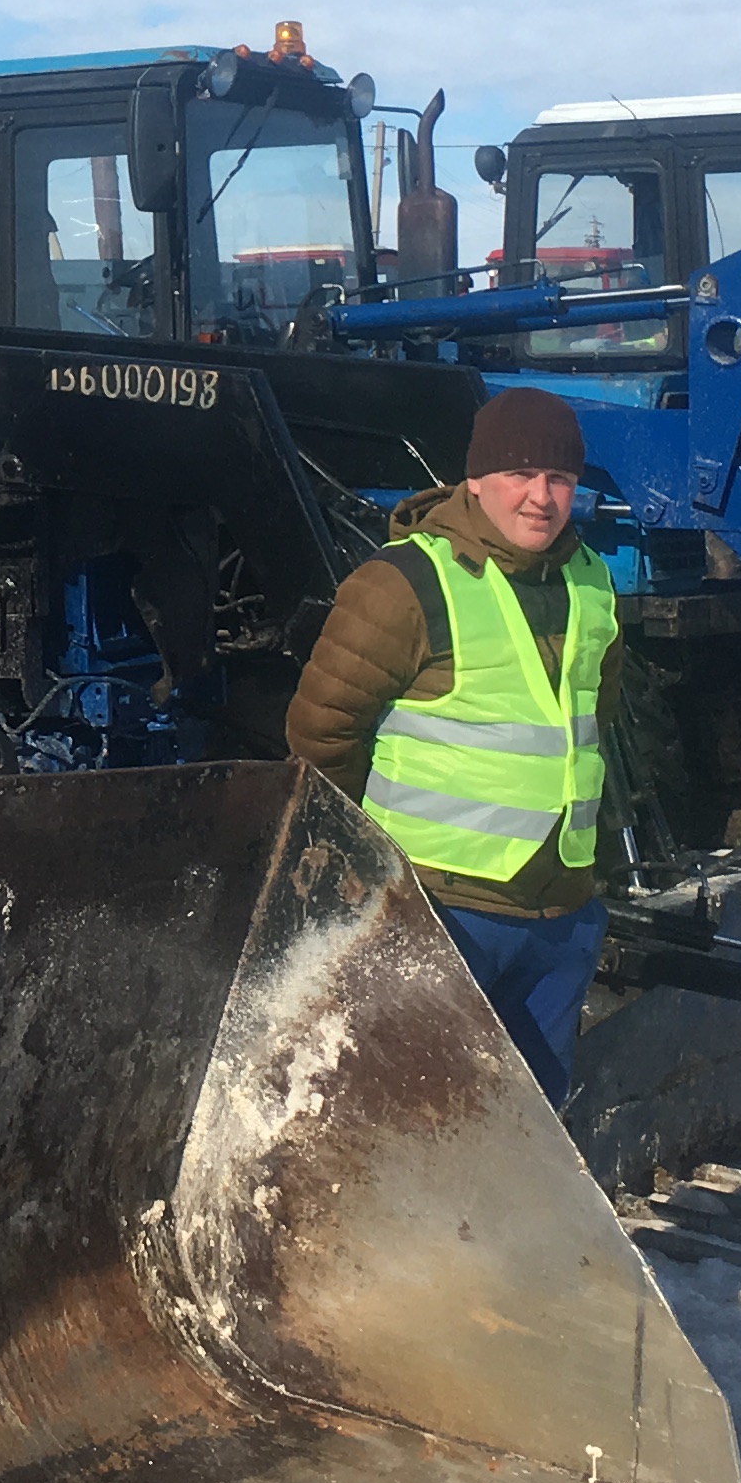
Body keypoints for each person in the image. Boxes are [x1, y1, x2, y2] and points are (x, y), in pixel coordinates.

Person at [286, 385, 611, 1110]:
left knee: (533, 1133)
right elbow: (319, 736)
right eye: (519, 476)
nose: (540, 497)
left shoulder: (591, 580)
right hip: (440, 912)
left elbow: (591, 723)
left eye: (558, 479)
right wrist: (370, 867)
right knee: (411, 1119)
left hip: (558, 918)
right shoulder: (401, 585)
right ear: (475, 481)